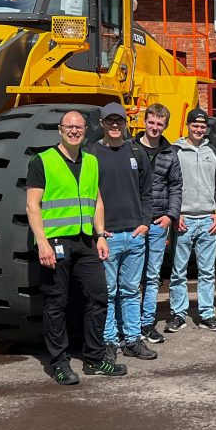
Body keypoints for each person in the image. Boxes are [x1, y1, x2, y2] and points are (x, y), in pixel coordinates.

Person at [26, 110, 125, 383]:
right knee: (56, 303)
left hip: (85, 241)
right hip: (55, 242)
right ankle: (59, 362)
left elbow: (98, 201)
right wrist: (42, 242)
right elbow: (32, 205)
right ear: (60, 129)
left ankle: (93, 359)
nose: (74, 131)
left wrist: (101, 235)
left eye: (79, 127)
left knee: (98, 297)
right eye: (69, 127)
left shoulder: (92, 161)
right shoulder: (42, 161)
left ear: (85, 130)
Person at [92, 102, 156, 361]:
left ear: (125, 123)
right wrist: (97, 231)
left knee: (131, 291)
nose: (115, 125)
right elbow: (87, 195)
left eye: (119, 120)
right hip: (108, 236)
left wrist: (145, 222)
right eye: (110, 121)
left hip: (134, 234)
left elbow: (147, 191)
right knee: (108, 292)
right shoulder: (92, 154)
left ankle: (132, 339)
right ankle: (109, 341)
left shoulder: (136, 152)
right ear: (102, 124)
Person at [166, 108, 216, 333]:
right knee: (178, 270)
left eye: (202, 126)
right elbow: (170, 184)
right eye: (195, 125)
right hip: (184, 220)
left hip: (208, 219)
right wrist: (175, 213)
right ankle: (178, 313)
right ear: (188, 126)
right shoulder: (176, 150)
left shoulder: (212, 151)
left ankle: (207, 313)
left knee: (207, 271)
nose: (199, 129)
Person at [134, 103, 182, 345]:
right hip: (133, 223)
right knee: (132, 278)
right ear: (145, 121)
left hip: (157, 221)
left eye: (159, 124)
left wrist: (171, 216)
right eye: (151, 122)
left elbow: (176, 187)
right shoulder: (130, 150)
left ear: (165, 126)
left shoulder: (169, 153)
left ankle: (147, 323)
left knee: (152, 276)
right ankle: (131, 325)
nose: (154, 127)